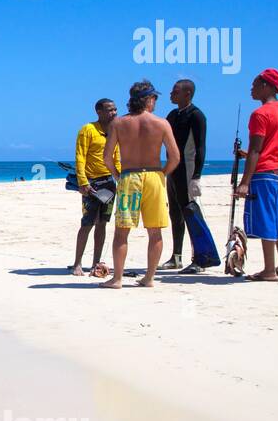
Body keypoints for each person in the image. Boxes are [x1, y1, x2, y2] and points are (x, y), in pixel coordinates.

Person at [100, 79, 178, 288]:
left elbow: (107, 157)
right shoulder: (161, 123)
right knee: (155, 231)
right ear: (149, 100)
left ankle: (117, 279)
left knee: (122, 231)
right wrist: (162, 174)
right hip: (153, 177)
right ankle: (149, 278)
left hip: (129, 177)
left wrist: (117, 175)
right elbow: (175, 157)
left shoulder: (119, 123)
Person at [234, 68, 278, 282]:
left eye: (255, 84)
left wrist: (244, 182)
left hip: (264, 172)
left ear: (265, 86)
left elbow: (257, 151)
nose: (251, 89)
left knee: (266, 218)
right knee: (277, 215)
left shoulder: (260, 114)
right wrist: (251, 152)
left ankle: (269, 270)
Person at [160, 78, 219, 273]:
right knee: (175, 213)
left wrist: (197, 176)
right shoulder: (172, 115)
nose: (171, 94)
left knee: (190, 213)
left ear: (187, 93)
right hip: (173, 170)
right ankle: (176, 257)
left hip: (188, 169)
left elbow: (201, 147)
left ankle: (201, 258)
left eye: (175, 91)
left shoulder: (196, 116)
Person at [71, 98, 120, 276]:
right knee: (87, 223)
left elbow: (117, 157)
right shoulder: (88, 130)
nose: (114, 113)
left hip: (109, 182)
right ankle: (77, 263)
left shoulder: (115, 130)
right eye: (109, 110)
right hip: (91, 183)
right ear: (99, 112)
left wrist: (120, 178)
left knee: (102, 224)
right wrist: (82, 182)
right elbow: (80, 156)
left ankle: (96, 263)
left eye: (115, 109)